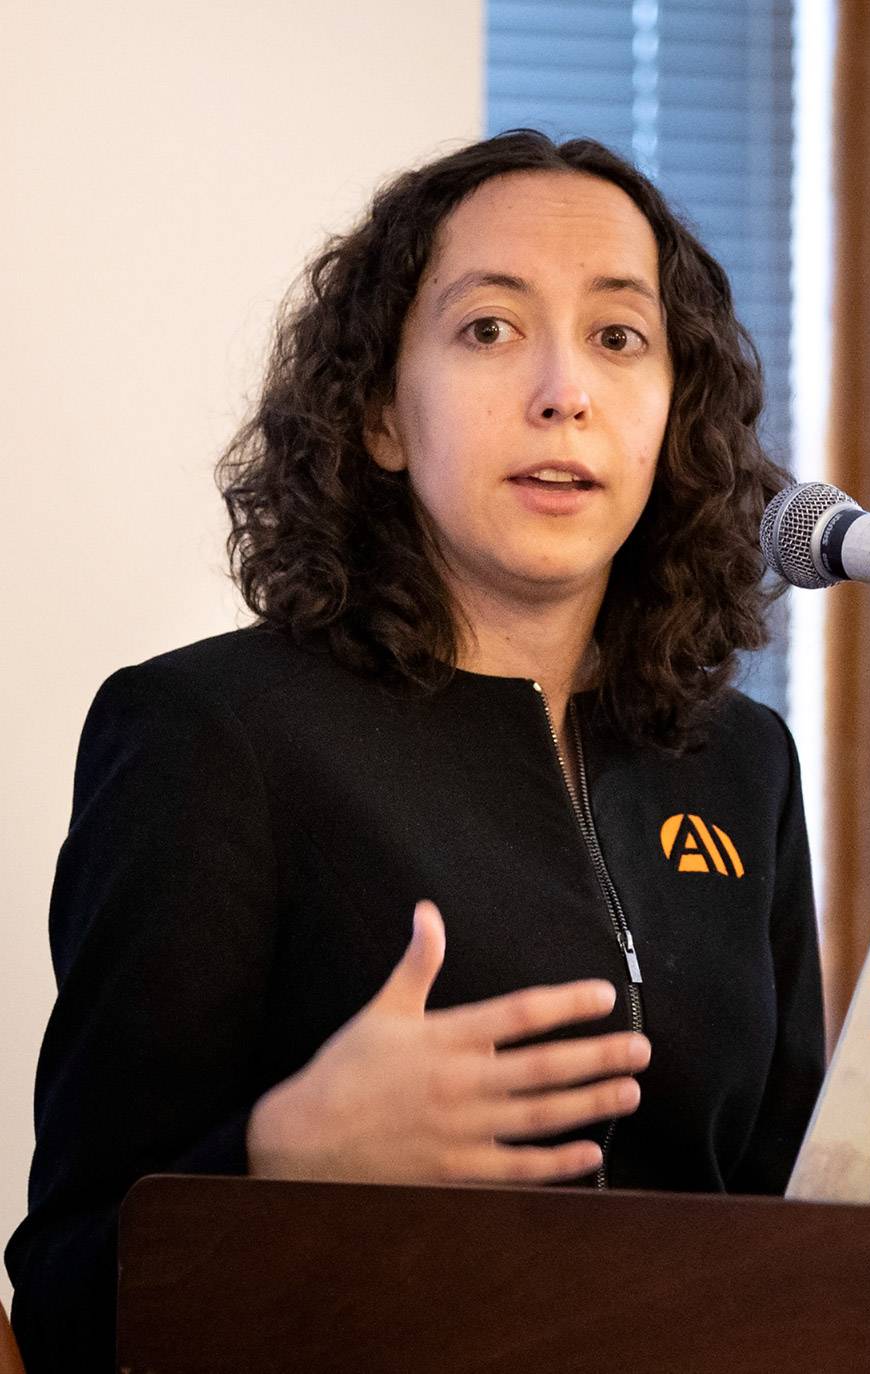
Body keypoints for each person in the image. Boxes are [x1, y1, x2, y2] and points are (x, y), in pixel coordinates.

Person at [5, 129, 825, 1372]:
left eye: (619, 337)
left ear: (674, 414)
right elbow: (70, 1299)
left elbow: (791, 1222)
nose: (565, 390)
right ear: (383, 414)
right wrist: (278, 1158)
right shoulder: (214, 738)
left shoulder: (741, 763)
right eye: (489, 329)